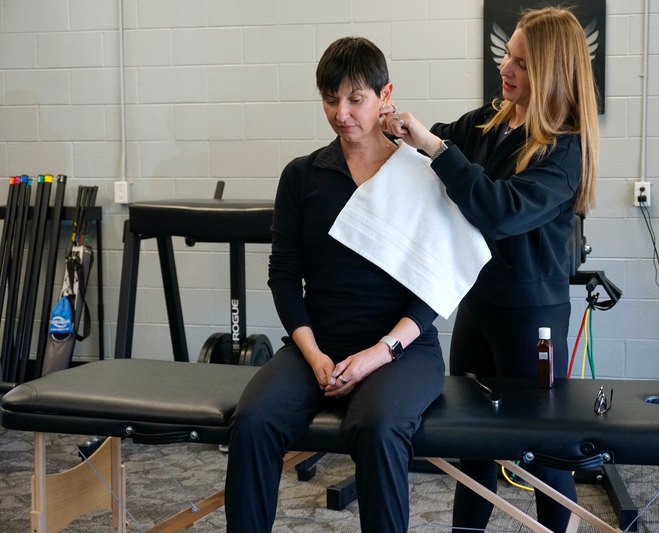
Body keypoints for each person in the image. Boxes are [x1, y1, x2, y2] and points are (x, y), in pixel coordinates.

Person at [383, 7, 599, 532]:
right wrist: (390, 126)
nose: (507, 67)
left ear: (552, 70)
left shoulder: (565, 150)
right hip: (478, 303)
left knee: (545, 448)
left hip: (531, 315)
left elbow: (499, 211)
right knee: (470, 438)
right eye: (507, 55)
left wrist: (434, 147)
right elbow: (432, 142)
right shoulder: (494, 119)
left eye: (522, 63)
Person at [224, 37, 445, 533]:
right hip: (318, 346)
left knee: (376, 427)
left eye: (355, 99)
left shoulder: (421, 176)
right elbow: (283, 276)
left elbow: (435, 287)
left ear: (385, 94)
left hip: (402, 349)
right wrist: (314, 354)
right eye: (330, 99)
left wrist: (376, 354)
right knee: (254, 421)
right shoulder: (302, 176)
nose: (341, 113)